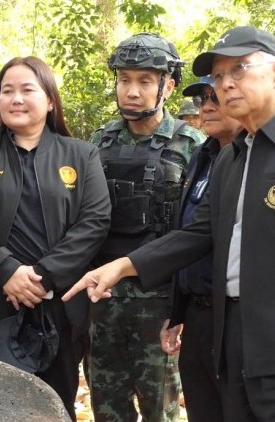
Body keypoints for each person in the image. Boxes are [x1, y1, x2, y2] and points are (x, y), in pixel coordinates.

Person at [64, 25, 275, 422]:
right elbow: (198, 232)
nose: (225, 85)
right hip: (220, 330)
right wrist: (119, 267)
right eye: (218, 76)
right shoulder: (230, 158)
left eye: (240, 69)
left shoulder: (192, 145)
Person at [0, 56, 111, 419]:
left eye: (27, 90)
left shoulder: (81, 154)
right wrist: (7, 270)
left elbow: (94, 222)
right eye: (7, 91)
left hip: (58, 304)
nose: (15, 98)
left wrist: (43, 277)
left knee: (53, 407)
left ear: (49, 100)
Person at [87, 33, 205, 422]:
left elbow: (201, 233)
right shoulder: (99, 142)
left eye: (144, 81)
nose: (132, 91)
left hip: (161, 302)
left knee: (161, 412)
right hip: (104, 300)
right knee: (107, 409)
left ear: (167, 86)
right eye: (124, 80)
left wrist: (184, 309)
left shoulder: (192, 146)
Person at [159, 76, 241, 422]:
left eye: (215, 98)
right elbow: (188, 234)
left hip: (236, 322)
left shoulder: (257, 163)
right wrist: (177, 313)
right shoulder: (202, 156)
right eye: (201, 100)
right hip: (197, 317)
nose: (206, 107)